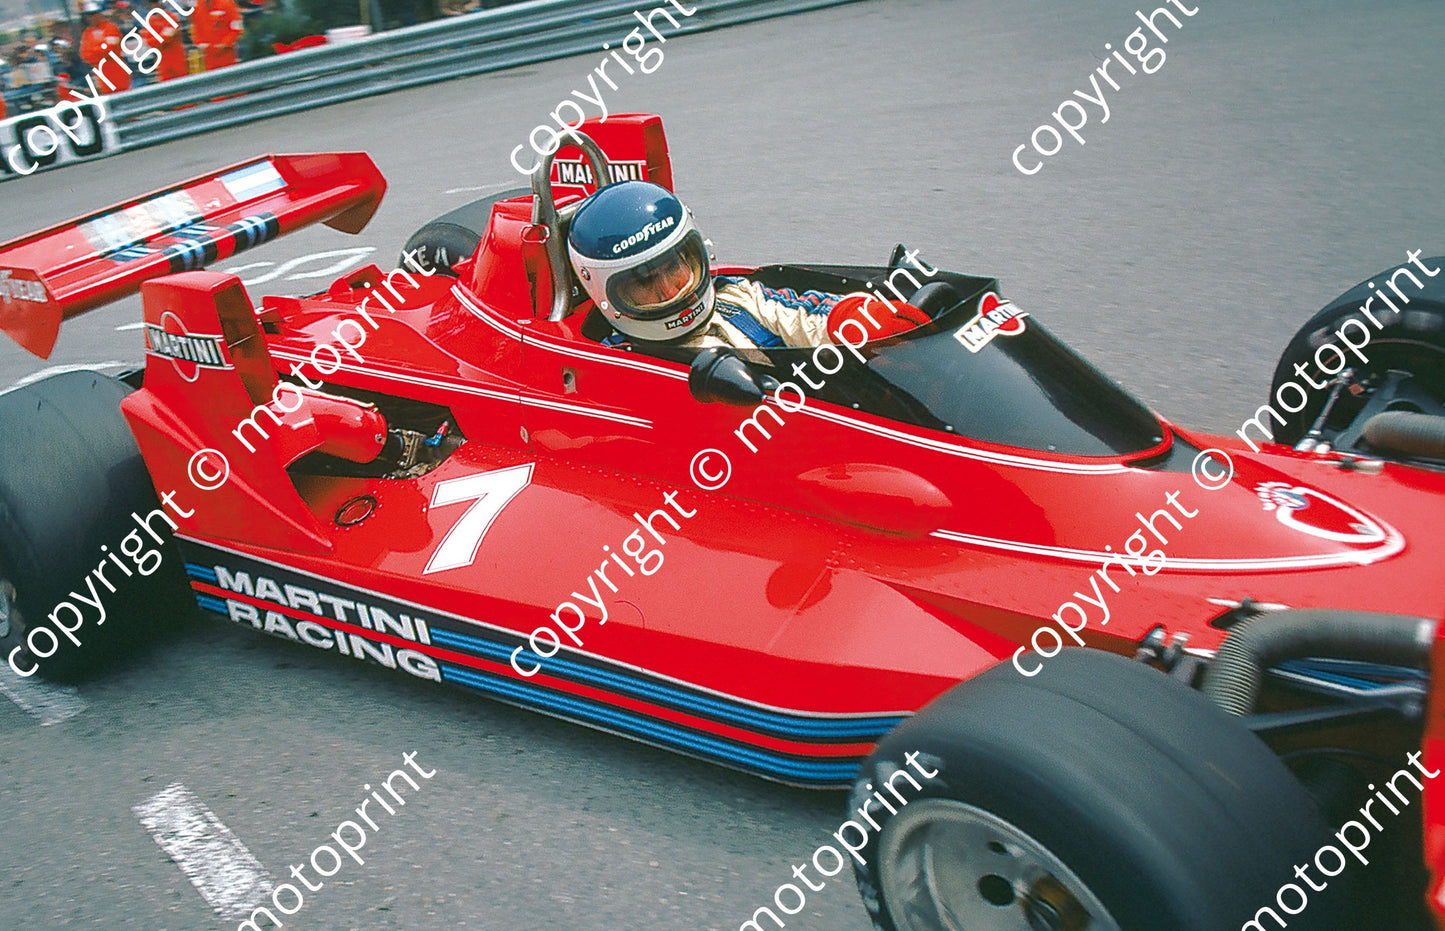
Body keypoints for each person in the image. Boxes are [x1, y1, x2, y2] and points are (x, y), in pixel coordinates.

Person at [566, 181, 929, 349]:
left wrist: (853, 319)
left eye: (674, 267)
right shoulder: (620, 365)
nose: (670, 290)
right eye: (644, 283)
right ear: (606, 295)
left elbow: (804, 314)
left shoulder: (738, 299)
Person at [79, 1, 130, 93]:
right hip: (101, 72)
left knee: (123, 93)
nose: (92, 17)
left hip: (117, 69)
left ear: (99, 14)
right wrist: (100, 49)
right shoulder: (87, 33)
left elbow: (110, 48)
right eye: (89, 15)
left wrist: (94, 50)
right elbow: (84, 54)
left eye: (94, 14)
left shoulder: (111, 28)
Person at [192, 0, 244, 70]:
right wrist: (200, 43)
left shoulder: (226, 3)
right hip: (209, 57)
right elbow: (196, 27)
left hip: (226, 55)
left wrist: (225, 43)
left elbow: (237, 27)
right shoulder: (198, 5)